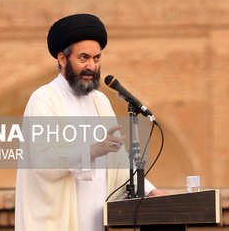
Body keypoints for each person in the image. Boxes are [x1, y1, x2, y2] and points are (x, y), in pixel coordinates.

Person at [15, 13, 165, 231]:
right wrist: (93, 150)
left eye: (96, 58)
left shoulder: (100, 101)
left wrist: (150, 190)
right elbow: (42, 160)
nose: (92, 66)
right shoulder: (44, 99)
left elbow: (119, 163)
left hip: (98, 223)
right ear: (62, 58)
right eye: (83, 58)